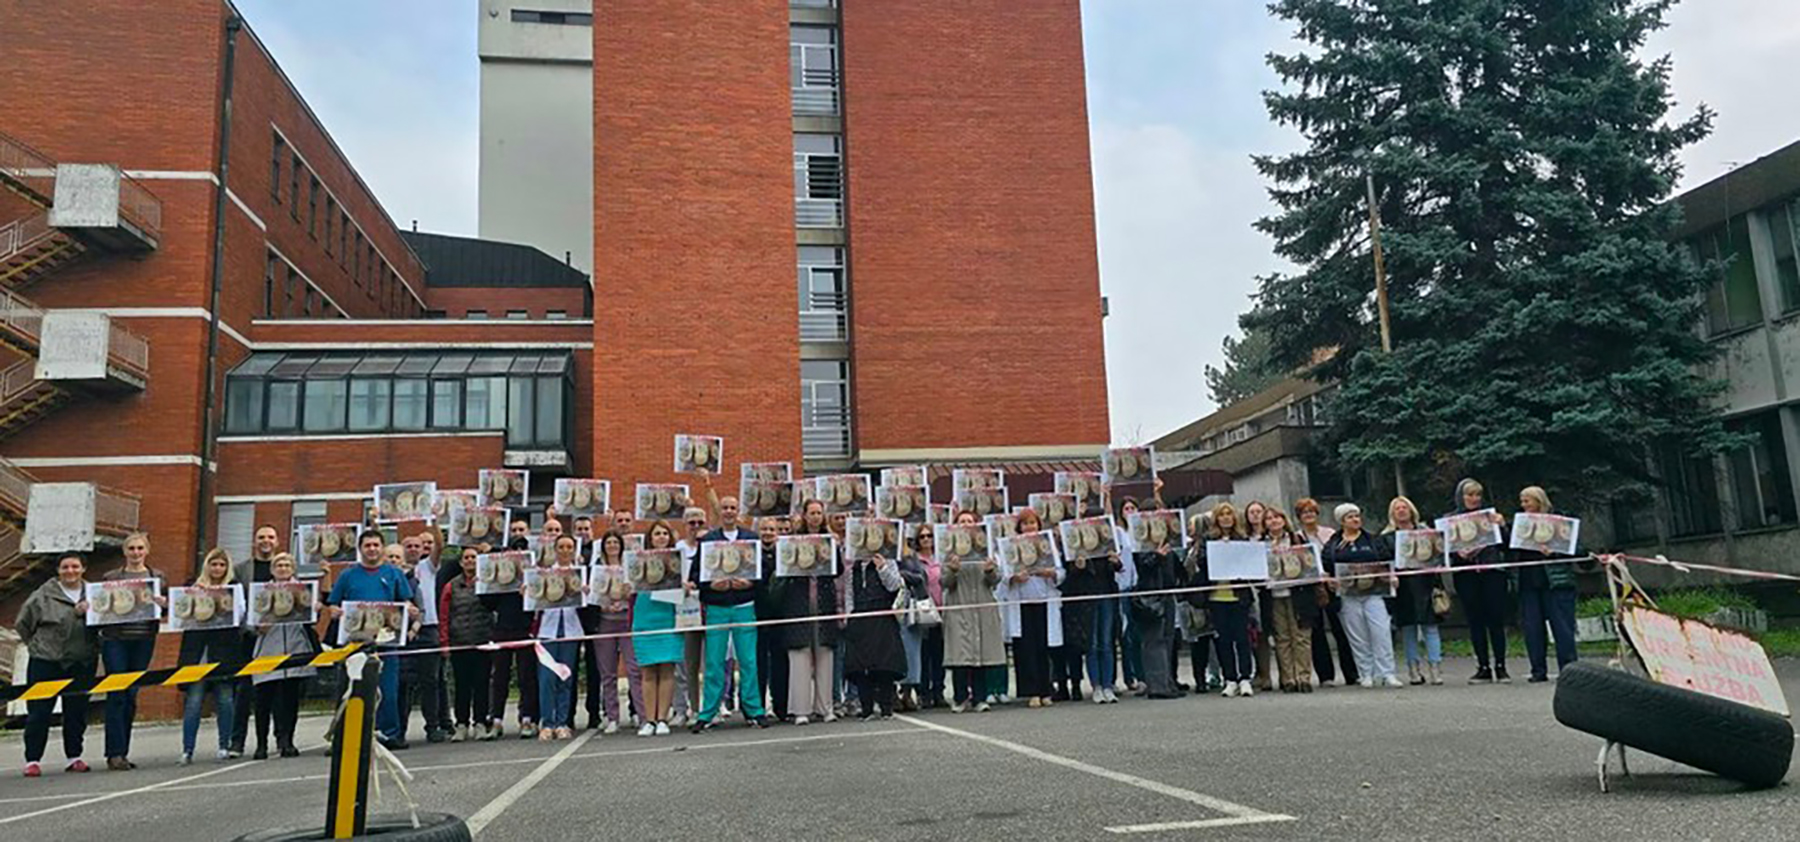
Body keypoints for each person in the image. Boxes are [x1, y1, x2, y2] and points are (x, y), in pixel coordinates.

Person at [325, 530, 417, 750]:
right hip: (355, 644)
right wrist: (334, 611)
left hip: (386, 642)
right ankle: (346, 735)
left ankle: (389, 734)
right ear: (360, 548)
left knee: (388, 690)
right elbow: (333, 604)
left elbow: (406, 602)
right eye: (367, 545)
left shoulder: (394, 574)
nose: (372, 549)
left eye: (376, 545)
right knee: (352, 689)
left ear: (382, 548)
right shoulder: (348, 575)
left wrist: (410, 610)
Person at [690, 489, 771, 732]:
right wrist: (710, 585)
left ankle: (754, 710)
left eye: (732, 508)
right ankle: (708, 713)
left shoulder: (751, 538)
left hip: (744, 606)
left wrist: (750, 583)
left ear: (738, 512)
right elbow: (695, 574)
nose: (728, 511)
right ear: (719, 511)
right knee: (714, 662)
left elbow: (764, 572)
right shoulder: (708, 541)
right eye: (724, 507)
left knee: (748, 661)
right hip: (717, 607)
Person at [17, 553, 97, 777]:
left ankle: (74, 757)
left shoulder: (94, 593)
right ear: (58, 570)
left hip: (82, 660)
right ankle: (32, 759)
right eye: (65, 567)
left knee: (76, 712)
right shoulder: (43, 595)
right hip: (46, 661)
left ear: (83, 569)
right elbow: (23, 623)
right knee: (39, 712)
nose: (70, 571)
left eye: (75, 566)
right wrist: (38, 646)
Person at [100, 532, 167, 771]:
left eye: (140, 548)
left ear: (146, 551)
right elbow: (102, 607)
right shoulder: (112, 577)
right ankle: (114, 753)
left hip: (144, 639)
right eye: (131, 549)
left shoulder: (157, 577)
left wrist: (163, 604)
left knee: (131, 695)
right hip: (116, 640)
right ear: (125, 552)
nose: (136, 553)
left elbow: (168, 610)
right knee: (117, 694)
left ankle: (123, 752)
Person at [1322, 504, 1402, 688]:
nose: (1355, 519)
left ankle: (1387, 672)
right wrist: (1330, 581)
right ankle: (1366, 673)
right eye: (1350, 517)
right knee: (1357, 636)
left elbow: (1387, 561)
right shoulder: (1333, 545)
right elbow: (1326, 569)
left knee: (1381, 632)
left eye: (1357, 516)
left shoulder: (1373, 540)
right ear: (1342, 521)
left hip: (1374, 593)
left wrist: (1391, 577)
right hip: (1347, 596)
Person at [249, 552, 318, 759]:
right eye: (279, 565)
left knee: (290, 698)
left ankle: (286, 739)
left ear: (293, 569)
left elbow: (312, 621)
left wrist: (314, 609)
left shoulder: (304, 591)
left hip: (296, 647)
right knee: (264, 699)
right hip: (267, 649)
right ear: (272, 569)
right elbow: (250, 623)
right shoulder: (261, 592)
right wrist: (259, 626)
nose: (283, 568)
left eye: (287, 565)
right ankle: (261, 743)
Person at [780, 500, 843, 725]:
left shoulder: (830, 538)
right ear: (804, 516)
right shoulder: (793, 539)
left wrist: (835, 547)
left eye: (819, 513)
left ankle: (825, 708)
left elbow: (839, 571)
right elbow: (784, 570)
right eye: (812, 513)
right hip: (799, 605)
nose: (816, 517)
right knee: (800, 655)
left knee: (825, 654)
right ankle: (800, 710)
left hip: (824, 603)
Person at [178, 549, 242, 764]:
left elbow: (240, 615)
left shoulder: (235, 588)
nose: (217, 569)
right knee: (194, 702)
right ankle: (187, 749)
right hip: (197, 653)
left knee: (225, 700)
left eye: (221, 565)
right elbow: (182, 613)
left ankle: (224, 746)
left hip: (224, 652)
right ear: (207, 565)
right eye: (213, 564)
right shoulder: (192, 585)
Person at [997, 508, 1063, 708]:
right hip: (1022, 604)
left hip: (1044, 602)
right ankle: (1032, 691)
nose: (1029, 526)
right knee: (1027, 650)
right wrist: (1014, 577)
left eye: (1033, 522)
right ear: (1019, 527)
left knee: (1044, 649)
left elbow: (1061, 572)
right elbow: (1003, 575)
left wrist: (1051, 573)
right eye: (1025, 523)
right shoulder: (1010, 548)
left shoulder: (1048, 546)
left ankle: (1046, 690)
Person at [1448, 478, 1512, 684]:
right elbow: (1444, 552)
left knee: (1496, 619)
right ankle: (1482, 667)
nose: (1474, 499)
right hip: (1466, 575)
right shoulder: (1450, 520)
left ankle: (1501, 666)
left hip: (1492, 573)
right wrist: (1459, 554)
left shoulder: (1491, 517)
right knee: (1475, 621)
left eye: (1477, 495)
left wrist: (1502, 526)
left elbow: (1508, 546)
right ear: (1461, 497)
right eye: (1469, 495)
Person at [940, 510, 1005, 712]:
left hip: (982, 608)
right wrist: (952, 569)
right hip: (960, 607)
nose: (966, 525)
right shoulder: (948, 553)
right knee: (961, 656)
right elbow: (944, 582)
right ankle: (960, 697)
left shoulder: (986, 550)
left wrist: (990, 570)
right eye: (962, 522)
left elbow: (995, 581)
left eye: (970, 521)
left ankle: (980, 698)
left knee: (981, 656)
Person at [1515, 485, 1578, 683]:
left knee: (1562, 628)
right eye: (1522, 501)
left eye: (1527, 501)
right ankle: (1538, 670)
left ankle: (1568, 669)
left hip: (1555, 583)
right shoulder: (1521, 524)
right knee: (1533, 630)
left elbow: (1578, 548)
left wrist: (1555, 552)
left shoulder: (1559, 520)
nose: (1524, 505)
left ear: (1539, 501)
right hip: (1529, 584)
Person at [843, 528, 907, 720]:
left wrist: (882, 568)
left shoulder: (888, 561)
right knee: (861, 667)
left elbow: (895, 585)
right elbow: (849, 594)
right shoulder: (853, 567)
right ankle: (867, 708)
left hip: (882, 615)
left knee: (884, 665)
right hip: (860, 618)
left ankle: (887, 708)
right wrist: (849, 616)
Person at [228, 524, 281, 756]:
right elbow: (233, 603)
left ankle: (280, 740)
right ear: (254, 541)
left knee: (277, 690)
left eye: (270, 537)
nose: (265, 541)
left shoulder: (284, 568)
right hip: (250, 637)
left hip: (277, 638)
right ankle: (237, 742)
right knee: (244, 691)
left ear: (277, 541)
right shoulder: (240, 571)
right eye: (261, 537)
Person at [1193, 503, 1255, 698]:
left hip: (1239, 596)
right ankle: (1230, 678)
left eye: (1229, 514)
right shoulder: (1208, 539)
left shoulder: (1242, 539)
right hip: (1217, 596)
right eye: (1222, 515)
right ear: (1216, 519)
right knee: (1223, 640)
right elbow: (1201, 562)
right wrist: (1217, 550)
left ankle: (1245, 677)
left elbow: (1251, 564)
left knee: (1242, 638)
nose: (1226, 518)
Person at [1295, 498, 1358, 687]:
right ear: (1299, 516)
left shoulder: (1329, 534)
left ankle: (1351, 673)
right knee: (1316, 632)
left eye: (1312, 511)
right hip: (1310, 587)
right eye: (1304, 512)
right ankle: (1325, 676)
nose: (1309, 515)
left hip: (1332, 585)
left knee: (1341, 629)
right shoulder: (1296, 536)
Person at [631, 520, 685, 736]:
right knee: (648, 671)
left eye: (664, 533)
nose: (661, 537)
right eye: (657, 534)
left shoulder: (676, 562)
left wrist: (686, 586)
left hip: (669, 618)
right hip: (645, 618)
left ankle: (663, 718)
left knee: (666, 670)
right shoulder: (638, 560)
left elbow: (686, 585)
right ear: (650, 538)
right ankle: (649, 720)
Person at [1384, 496, 1446, 685]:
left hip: (1425, 584)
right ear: (1392, 514)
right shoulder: (1387, 537)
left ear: (1411, 511)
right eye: (1397, 509)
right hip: (1402, 587)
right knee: (1408, 628)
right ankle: (1413, 670)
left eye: (1405, 507)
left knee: (1430, 627)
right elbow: (1385, 562)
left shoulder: (1426, 532)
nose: (1401, 511)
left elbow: (1439, 555)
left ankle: (1435, 669)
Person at [484, 532, 539, 739]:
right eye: (514, 549)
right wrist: (485, 586)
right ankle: (496, 719)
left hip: (525, 629)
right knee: (499, 677)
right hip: (502, 629)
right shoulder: (501, 576)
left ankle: (527, 718)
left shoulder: (532, 576)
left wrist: (530, 592)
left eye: (521, 550)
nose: (517, 554)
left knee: (527, 676)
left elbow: (541, 601)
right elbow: (488, 605)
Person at [590, 530, 646, 733]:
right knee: (608, 673)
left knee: (634, 670)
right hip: (604, 623)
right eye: (608, 542)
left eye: (615, 542)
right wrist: (600, 602)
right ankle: (612, 717)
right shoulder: (596, 568)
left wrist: (630, 593)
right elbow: (592, 595)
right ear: (603, 546)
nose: (612, 545)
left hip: (627, 622)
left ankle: (642, 715)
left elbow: (640, 589)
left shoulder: (629, 568)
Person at [1261, 506, 1321, 693]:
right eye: (1269, 518)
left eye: (1277, 517)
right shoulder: (1261, 544)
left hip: (1298, 595)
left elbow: (1310, 565)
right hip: (1274, 596)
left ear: (1283, 519)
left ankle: (1303, 677)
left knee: (1301, 636)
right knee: (1282, 638)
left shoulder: (1297, 539)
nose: (1273, 521)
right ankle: (1288, 679)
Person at [441, 546, 496, 741]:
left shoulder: (488, 582)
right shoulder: (451, 586)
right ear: (461, 562)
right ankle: (461, 724)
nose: (470, 561)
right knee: (462, 686)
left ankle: (480, 723)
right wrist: (445, 642)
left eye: (474, 557)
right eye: (467, 558)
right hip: (459, 642)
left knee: (482, 684)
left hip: (483, 641)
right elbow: (445, 615)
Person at [400, 526, 446, 744]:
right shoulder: (395, 571)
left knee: (431, 682)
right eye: (408, 546)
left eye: (416, 546)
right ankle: (399, 730)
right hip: (402, 633)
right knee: (403, 683)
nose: (412, 549)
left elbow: (440, 546)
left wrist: (435, 521)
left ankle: (433, 727)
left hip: (429, 629)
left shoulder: (428, 567)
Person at [535, 534, 583, 740]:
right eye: (561, 547)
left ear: (574, 550)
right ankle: (547, 722)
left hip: (571, 630)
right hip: (547, 631)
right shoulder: (543, 574)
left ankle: (562, 722)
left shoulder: (581, 574)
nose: (565, 550)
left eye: (569, 547)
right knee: (547, 678)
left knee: (566, 678)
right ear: (555, 550)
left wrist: (587, 592)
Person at [673, 505, 711, 725]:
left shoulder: (711, 545)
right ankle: (687, 708)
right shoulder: (678, 549)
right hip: (685, 609)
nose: (696, 527)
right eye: (691, 523)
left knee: (712, 661)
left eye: (700, 523)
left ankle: (713, 705)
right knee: (687, 663)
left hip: (708, 607)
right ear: (684, 525)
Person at [755, 516, 792, 720]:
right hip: (758, 614)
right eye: (764, 529)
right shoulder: (752, 553)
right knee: (758, 663)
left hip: (781, 615)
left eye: (771, 529)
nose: (768, 532)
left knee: (781, 663)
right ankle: (757, 707)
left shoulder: (784, 553)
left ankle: (782, 707)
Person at [915, 525, 948, 708]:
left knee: (939, 654)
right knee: (924, 654)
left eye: (929, 536)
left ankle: (939, 691)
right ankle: (924, 692)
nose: (926, 539)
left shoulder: (941, 559)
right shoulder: (915, 561)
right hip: (924, 611)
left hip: (942, 610)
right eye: (922, 537)